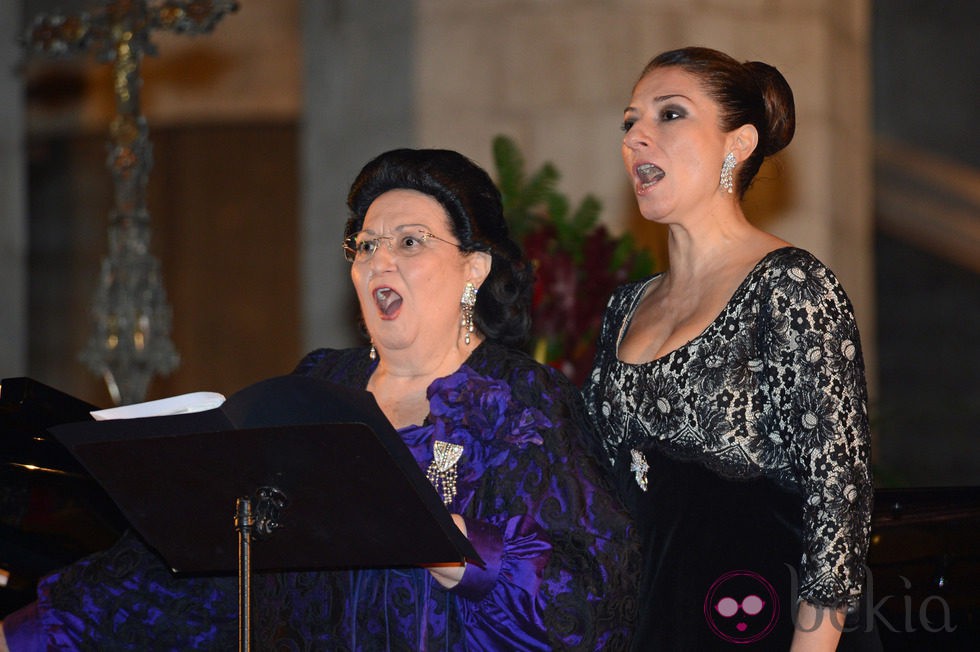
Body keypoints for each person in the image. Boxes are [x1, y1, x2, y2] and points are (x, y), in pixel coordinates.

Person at [1, 148, 638, 650]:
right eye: (365, 245)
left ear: (474, 267)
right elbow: (193, 574)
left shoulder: (522, 403)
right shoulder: (319, 389)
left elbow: (592, 601)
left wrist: (459, 550)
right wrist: (24, 634)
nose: (379, 262)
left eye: (409, 242)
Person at [582, 47, 877, 650]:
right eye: (629, 121)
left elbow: (838, 499)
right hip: (652, 624)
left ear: (736, 144)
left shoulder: (789, 285)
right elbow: (595, 497)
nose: (637, 135)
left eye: (669, 115)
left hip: (760, 624)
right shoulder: (624, 308)